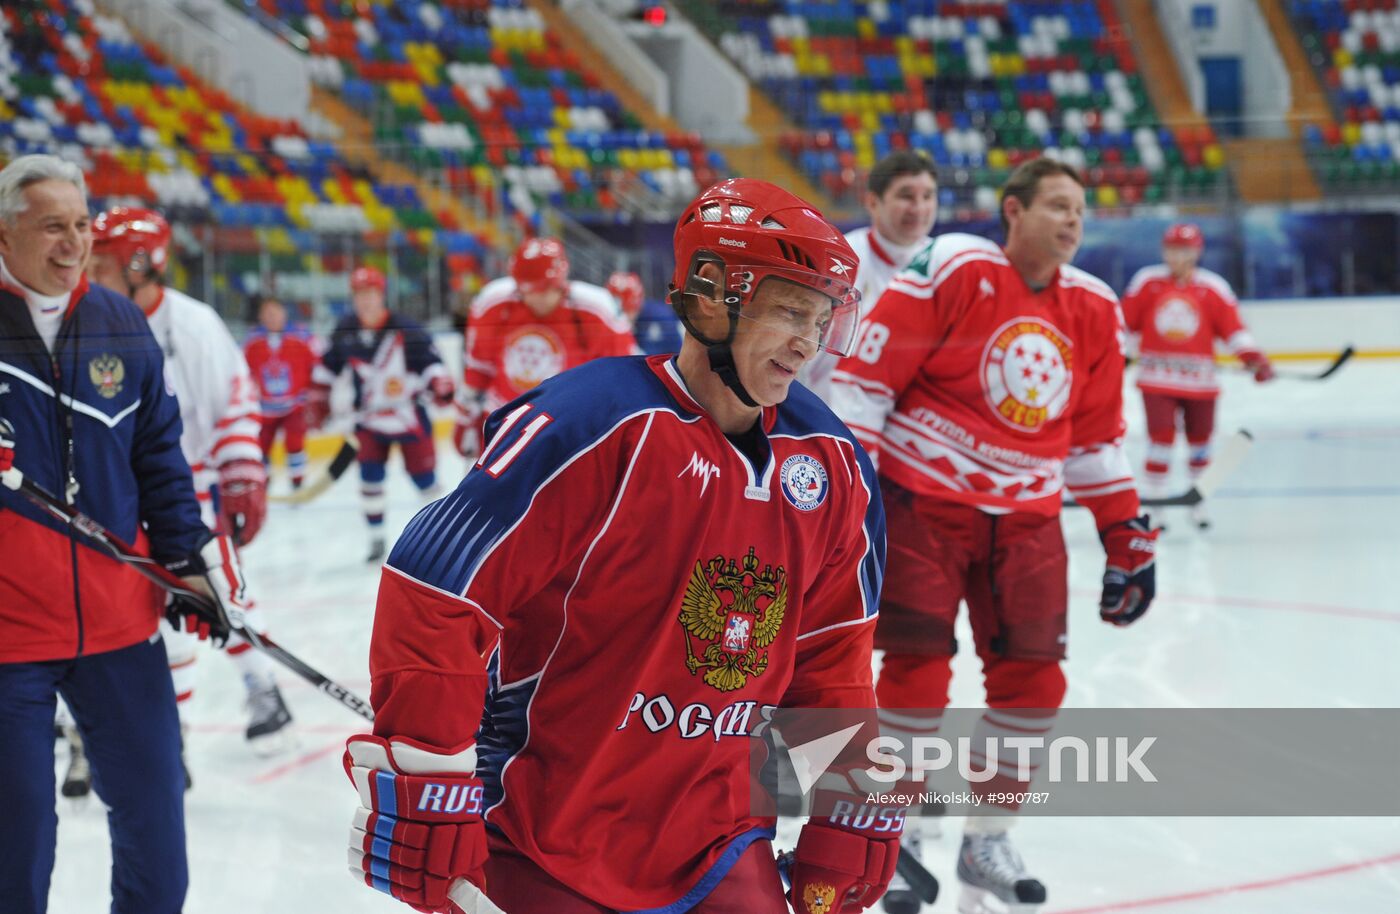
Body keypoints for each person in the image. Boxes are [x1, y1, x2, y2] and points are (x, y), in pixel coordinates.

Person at [341, 179, 905, 914]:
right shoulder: (590, 424)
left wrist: (843, 797)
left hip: (723, 841)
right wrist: (425, 773)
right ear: (710, 296)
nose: (809, 340)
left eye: (824, 317)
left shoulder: (834, 465)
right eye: (790, 309)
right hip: (548, 838)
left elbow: (832, 659)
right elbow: (438, 591)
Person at [829, 158, 1159, 914]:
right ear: (1012, 211)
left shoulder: (1095, 307)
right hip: (923, 506)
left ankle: (988, 836)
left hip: (1029, 521)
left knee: (1035, 682)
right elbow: (865, 385)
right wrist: (854, 503)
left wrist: (1125, 532)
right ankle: (899, 828)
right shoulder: (953, 267)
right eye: (1056, 207)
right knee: (915, 673)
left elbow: (1094, 442)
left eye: (1079, 210)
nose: (1071, 222)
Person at [0, 153, 246, 914]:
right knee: (17, 852)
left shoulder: (119, 322)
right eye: (52, 227)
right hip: (9, 640)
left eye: (80, 226)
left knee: (158, 852)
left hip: (119, 623)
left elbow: (158, 457)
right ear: (6, 233)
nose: (73, 244)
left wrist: (185, 564)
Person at [86, 206, 292, 770]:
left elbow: (234, 406)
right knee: (146, 607)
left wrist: (242, 473)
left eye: (102, 263)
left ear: (141, 265)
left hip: (186, 491)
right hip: (117, 496)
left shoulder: (194, 324)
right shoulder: (94, 320)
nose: (90, 271)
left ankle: (249, 691)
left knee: (206, 596)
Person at [1121, 222, 1273, 528]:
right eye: (1172, 249)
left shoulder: (1213, 287)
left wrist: (1251, 356)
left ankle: (1198, 504)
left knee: (1200, 443)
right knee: (1160, 442)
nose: (1177, 256)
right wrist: (1118, 356)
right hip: (1157, 380)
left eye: (1184, 250)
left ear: (1196, 252)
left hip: (1200, 383)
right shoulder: (1147, 281)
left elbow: (1233, 328)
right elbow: (1125, 323)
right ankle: (1156, 507)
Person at [309, 265, 453, 563]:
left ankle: (444, 539)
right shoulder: (345, 328)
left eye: (371, 293)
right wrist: (318, 401)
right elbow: (326, 367)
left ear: (381, 294)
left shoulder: (406, 329)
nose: (366, 300)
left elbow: (431, 363)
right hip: (370, 421)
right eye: (360, 294)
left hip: (408, 416)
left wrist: (438, 383)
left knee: (426, 481)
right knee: (369, 480)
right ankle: (376, 540)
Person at [451, 237, 635, 460]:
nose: (532, 298)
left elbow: (620, 380)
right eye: (525, 290)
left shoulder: (597, 310)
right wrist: (465, 417)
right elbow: (479, 367)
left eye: (542, 290)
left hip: (569, 428)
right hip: (506, 424)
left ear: (561, 283)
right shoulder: (494, 302)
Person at [801, 149, 939, 402]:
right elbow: (807, 351)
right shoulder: (840, 261)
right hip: (836, 414)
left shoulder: (942, 264)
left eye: (928, 196)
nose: (919, 208)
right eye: (906, 196)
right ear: (873, 202)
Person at [243, 293, 320, 490]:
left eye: (275, 312)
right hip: (264, 407)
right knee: (261, 446)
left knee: (295, 444)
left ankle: (297, 484)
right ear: (260, 316)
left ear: (284, 313)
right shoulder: (251, 341)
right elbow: (241, 370)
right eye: (267, 313)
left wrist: (311, 392)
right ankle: (263, 485)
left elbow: (318, 364)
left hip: (294, 405)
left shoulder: (302, 336)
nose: (271, 317)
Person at [609, 268, 685, 356]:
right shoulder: (610, 320)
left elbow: (677, 352)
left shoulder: (659, 317)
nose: (622, 317)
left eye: (625, 311)